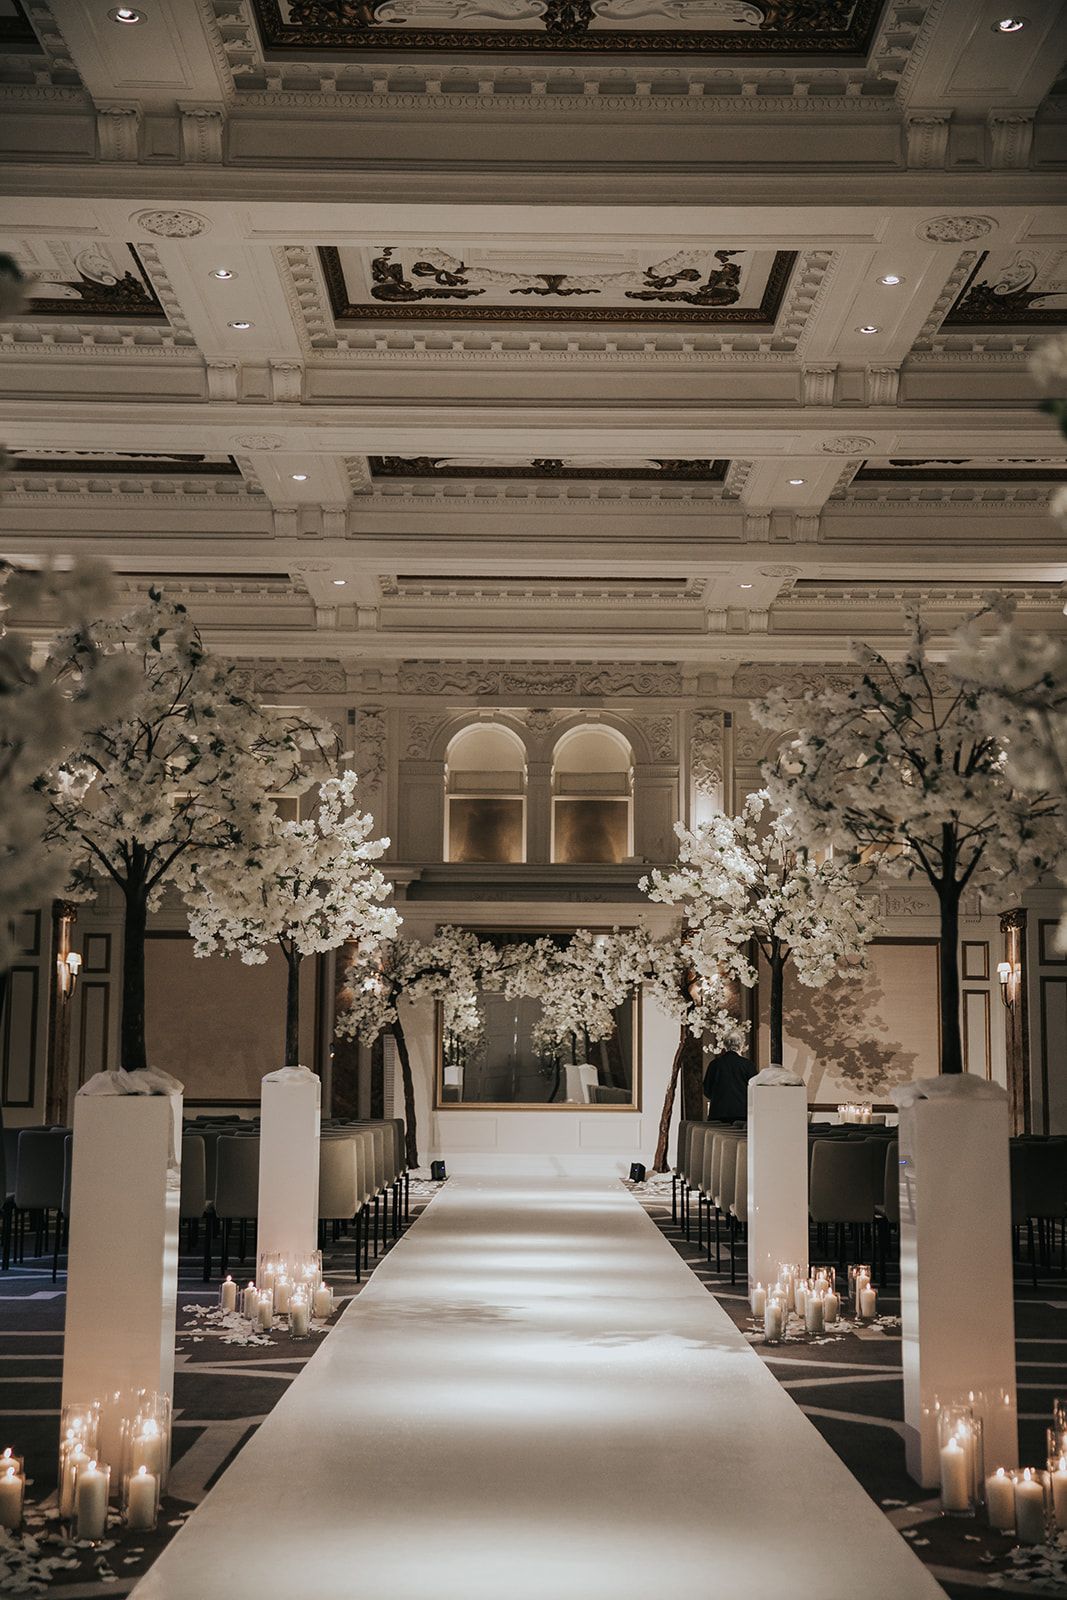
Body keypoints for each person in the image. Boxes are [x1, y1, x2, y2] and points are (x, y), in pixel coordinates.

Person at [703, 1028, 757, 1122]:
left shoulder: (714, 1064)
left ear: (725, 1046)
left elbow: (707, 1090)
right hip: (742, 1115)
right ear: (741, 1045)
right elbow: (755, 1089)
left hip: (717, 1114)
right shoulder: (747, 1064)